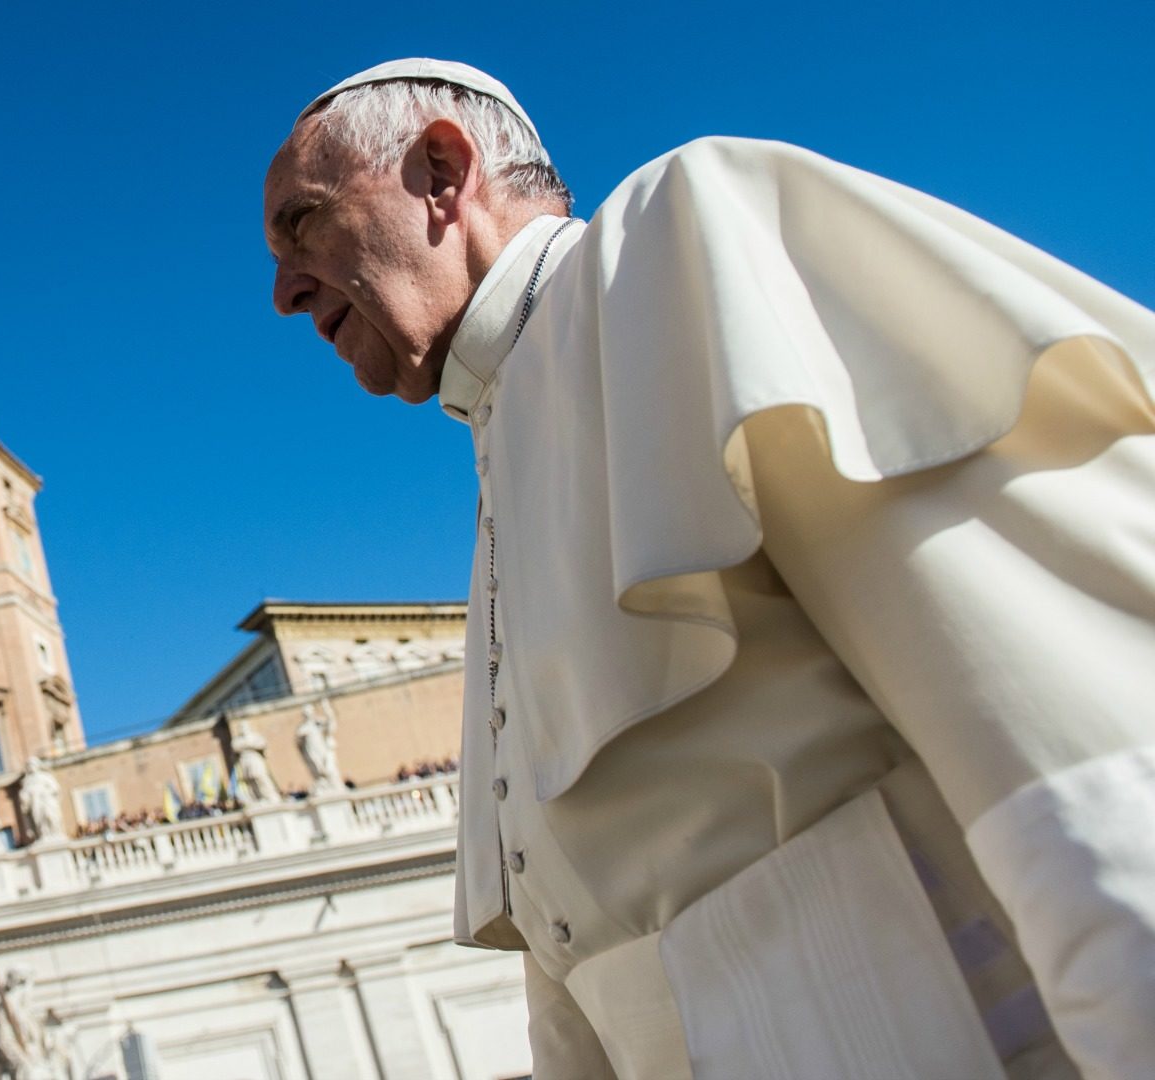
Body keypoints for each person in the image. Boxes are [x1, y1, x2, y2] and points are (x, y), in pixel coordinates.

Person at [264, 58, 1155, 1080]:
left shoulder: (682, 234)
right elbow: (577, 959)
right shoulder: (498, 481)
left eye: (304, 224)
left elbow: (1075, 735)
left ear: (442, 170)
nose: (285, 294)